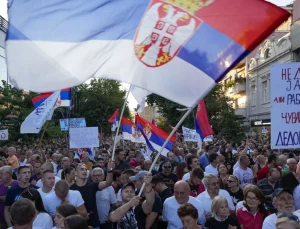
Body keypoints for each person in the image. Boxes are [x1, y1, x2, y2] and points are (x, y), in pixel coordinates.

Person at [70, 160, 114, 229]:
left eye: (86, 169)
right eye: (82, 169)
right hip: (78, 225)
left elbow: (108, 183)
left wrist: (109, 170)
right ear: (75, 173)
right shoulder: (71, 189)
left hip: (94, 224)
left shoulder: (92, 185)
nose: (84, 171)